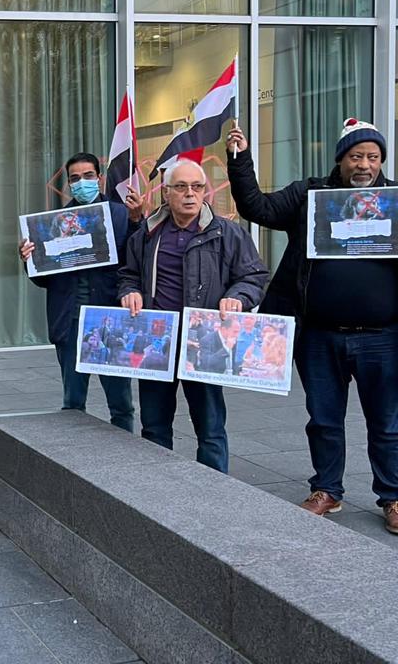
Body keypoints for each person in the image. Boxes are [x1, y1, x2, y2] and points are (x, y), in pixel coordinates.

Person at [226, 119, 398, 534]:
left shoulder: (394, 200)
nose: (364, 165)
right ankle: (326, 490)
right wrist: (240, 160)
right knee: (323, 419)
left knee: (388, 424)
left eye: (372, 157)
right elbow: (258, 208)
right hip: (319, 335)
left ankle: (393, 496)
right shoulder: (309, 194)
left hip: (383, 338)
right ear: (340, 159)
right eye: (355, 156)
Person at [119, 159, 268, 472]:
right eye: (181, 187)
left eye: (197, 187)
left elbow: (253, 276)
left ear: (205, 192)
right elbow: (128, 274)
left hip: (205, 343)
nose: (190, 193)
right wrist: (129, 291)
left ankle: (213, 491)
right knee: (154, 427)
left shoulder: (227, 233)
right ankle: (158, 488)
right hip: (158, 343)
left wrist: (237, 297)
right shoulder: (148, 233)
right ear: (167, 193)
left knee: (210, 428)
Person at [18, 153, 141, 432]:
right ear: (69, 184)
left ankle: (127, 452)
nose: (81, 182)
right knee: (73, 403)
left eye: (88, 176)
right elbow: (44, 280)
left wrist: (137, 221)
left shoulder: (120, 215)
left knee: (121, 403)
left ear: (99, 178)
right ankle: (73, 455)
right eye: (75, 179)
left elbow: (136, 262)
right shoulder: (53, 223)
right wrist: (29, 260)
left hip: (110, 319)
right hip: (70, 320)